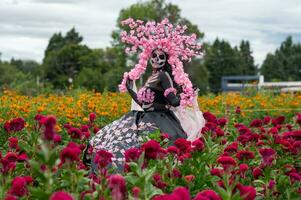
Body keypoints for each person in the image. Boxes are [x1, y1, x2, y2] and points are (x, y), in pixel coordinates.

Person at [85, 18, 205, 172]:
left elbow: (173, 102)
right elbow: (144, 104)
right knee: (114, 137)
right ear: (149, 58)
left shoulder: (163, 76)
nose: (157, 59)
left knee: (140, 148)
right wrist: (131, 90)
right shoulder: (152, 77)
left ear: (166, 59)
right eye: (154, 56)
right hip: (145, 115)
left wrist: (185, 95)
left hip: (159, 119)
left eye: (161, 57)